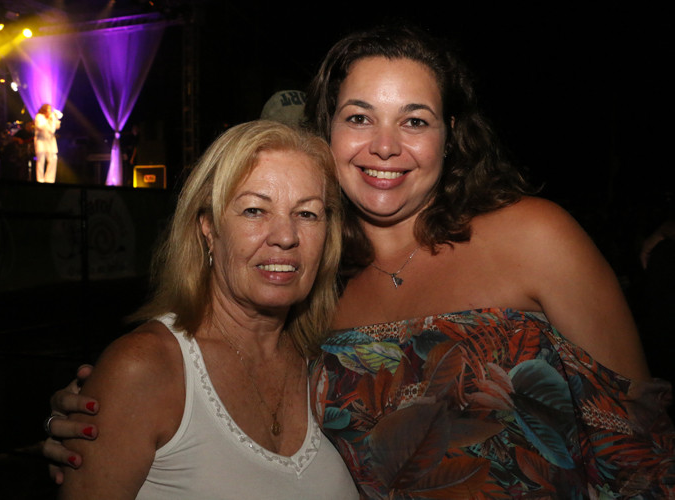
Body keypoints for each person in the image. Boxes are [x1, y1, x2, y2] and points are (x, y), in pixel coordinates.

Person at [43, 25, 675, 498]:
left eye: (415, 120)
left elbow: (641, 441)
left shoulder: (534, 235)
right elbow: (219, 389)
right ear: (328, 132)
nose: (384, 146)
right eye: (359, 117)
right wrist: (109, 416)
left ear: (451, 136)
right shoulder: (309, 284)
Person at [54, 120, 357, 498]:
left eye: (307, 214)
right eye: (254, 210)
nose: (285, 236)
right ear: (208, 228)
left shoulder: (330, 363)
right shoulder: (144, 368)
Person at [34, 103, 61, 183]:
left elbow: (56, 127)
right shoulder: (39, 117)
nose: (49, 111)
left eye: (50, 109)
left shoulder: (51, 117)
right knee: (40, 161)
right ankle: (40, 179)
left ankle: (49, 179)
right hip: (41, 141)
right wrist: (47, 120)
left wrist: (55, 119)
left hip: (50, 142)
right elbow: (40, 126)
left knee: (53, 159)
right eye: (48, 109)